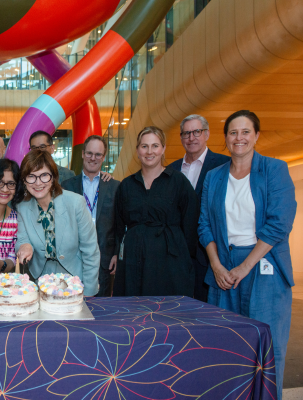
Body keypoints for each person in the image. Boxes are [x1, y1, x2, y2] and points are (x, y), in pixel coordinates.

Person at [198, 110, 296, 398]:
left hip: (264, 265)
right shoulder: (214, 177)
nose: (238, 138)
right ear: (225, 138)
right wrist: (216, 265)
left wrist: (245, 267)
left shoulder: (274, 169)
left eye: (245, 132)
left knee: (267, 349)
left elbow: (280, 223)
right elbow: (205, 224)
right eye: (232, 132)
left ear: (256, 136)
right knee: (226, 347)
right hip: (223, 266)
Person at [113, 126, 199, 297]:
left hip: (170, 260)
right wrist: (116, 253)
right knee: (134, 310)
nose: (149, 151)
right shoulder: (127, 185)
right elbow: (117, 225)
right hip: (133, 260)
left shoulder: (178, 182)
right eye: (144, 146)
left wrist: (186, 258)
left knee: (166, 312)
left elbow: (191, 223)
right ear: (137, 150)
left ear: (163, 149)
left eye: (155, 146)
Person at [15, 150, 100, 296]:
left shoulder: (75, 203)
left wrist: (89, 293)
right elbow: (22, 239)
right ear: (24, 181)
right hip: (40, 282)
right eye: (31, 177)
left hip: (75, 280)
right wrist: (25, 246)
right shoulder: (22, 207)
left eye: (44, 175)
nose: (38, 182)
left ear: (53, 177)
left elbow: (90, 250)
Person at [168, 114, 230, 302]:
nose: (191, 138)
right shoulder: (171, 170)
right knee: (178, 307)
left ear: (207, 134)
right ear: (181, 138)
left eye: (197, 132)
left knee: (208, 309)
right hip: (178, 254)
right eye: (186, 133)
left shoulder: (224, 165)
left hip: (211, 253)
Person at [62, 135, 120, 297]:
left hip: (104, 259)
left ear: (103, 157)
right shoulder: (67, 186)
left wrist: (116, 253)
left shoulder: (114, 186)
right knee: (72, 302)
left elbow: (119, 223)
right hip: (73, 257)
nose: (93, 158)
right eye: (89, 153)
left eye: (98, 154)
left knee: (101, 307)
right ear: (82, 154)